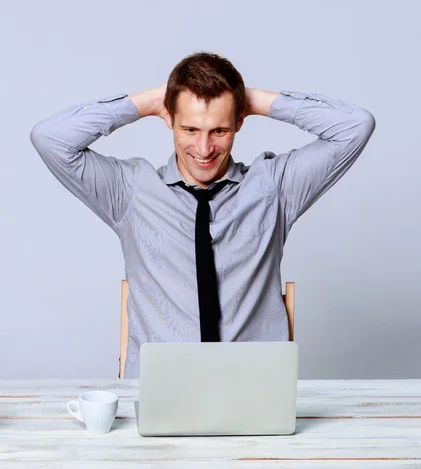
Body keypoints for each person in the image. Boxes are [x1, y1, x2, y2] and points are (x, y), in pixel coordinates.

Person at [30, 51, 376, 378]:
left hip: (254, 385)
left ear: (239, 122)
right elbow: (50, 138)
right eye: (190, 129)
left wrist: (251, 100)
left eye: (219, 130)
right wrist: (149, 101)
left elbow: (355, 126)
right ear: (169, 119)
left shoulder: (274, 187)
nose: (204, 148)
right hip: (162, 387)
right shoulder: (131, 190)